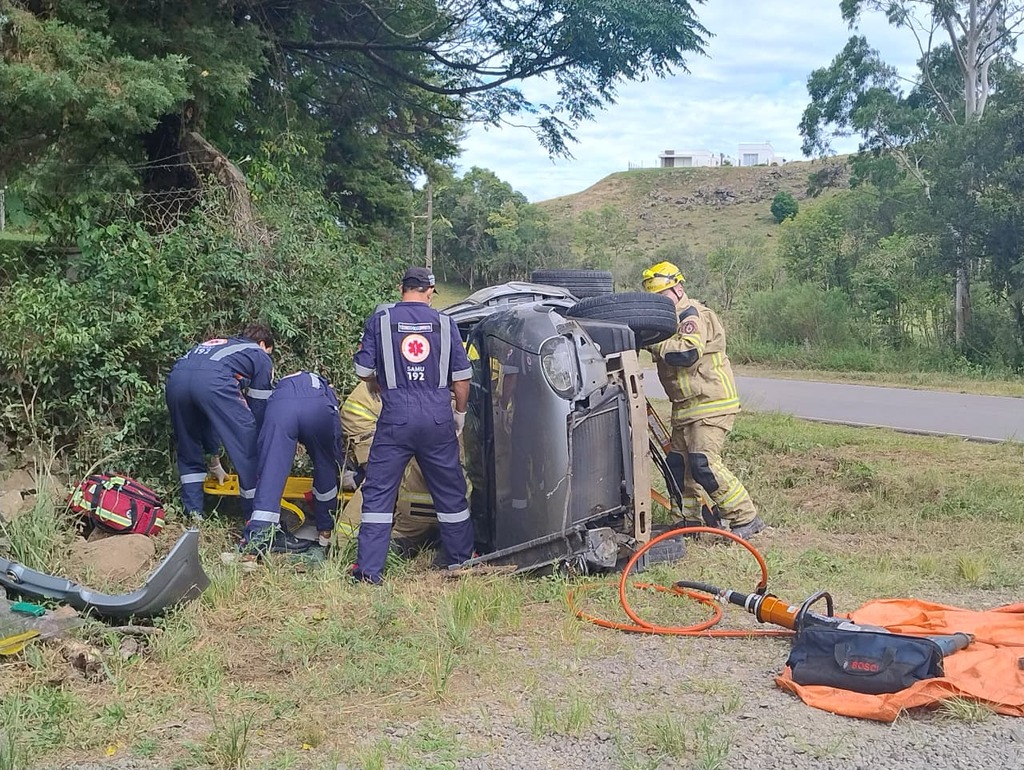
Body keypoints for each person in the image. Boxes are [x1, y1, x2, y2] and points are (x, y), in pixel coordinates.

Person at [351, 266, 474, 583]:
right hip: (436, 416)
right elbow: (461, 379)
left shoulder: (381, 320)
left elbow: (362, 369)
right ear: (430, 290)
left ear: (401, 288)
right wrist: (459, 413)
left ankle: (369, 572)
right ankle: (459, 562)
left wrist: (380, 385)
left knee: (379, 494)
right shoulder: (446, 324)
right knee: (450, 492)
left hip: (395, 417)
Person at [641, 261, 765, 538]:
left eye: (663, 295)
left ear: (678, 288)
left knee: (702, 463)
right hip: (685, 408)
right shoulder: (666, 322)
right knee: (678, 467)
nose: (659, 302)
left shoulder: (692, 316)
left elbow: (687, 354)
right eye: (654, 298)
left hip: (711, 403)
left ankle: (745, 518)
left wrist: (652, 342)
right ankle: (687, 522)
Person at [165, 324, 275, 520]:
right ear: (262, 344)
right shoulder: (259, 354)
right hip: (212, 381)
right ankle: (255, 517)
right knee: (247, 444)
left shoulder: (224, 348)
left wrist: (214, 460)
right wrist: (258, 442)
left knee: (188, 442)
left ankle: (194, 515)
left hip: (176, 381)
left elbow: (209, 416)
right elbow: (258, 409)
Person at [243, 371, 344, 555]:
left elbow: (261, 417)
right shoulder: (324, 388)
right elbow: (334, 435)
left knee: (271, 474)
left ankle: (257, 541)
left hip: (281, 409)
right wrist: (340, 464)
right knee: (325, 467)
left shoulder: (281, 387)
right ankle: (325, 532)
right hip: (317, 409)